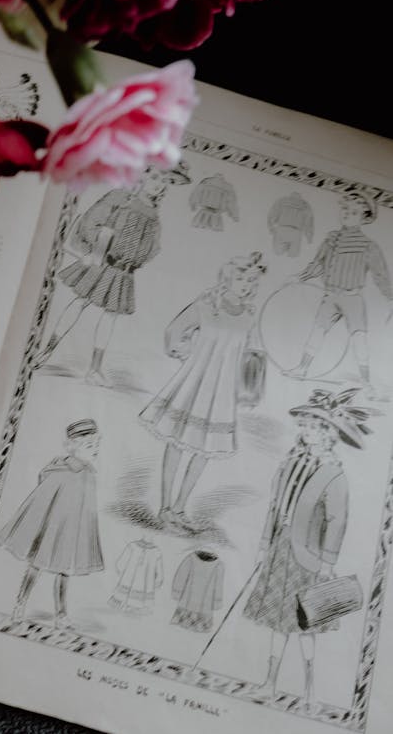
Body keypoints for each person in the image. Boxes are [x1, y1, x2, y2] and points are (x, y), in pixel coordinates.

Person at [243, 388, 373, 707]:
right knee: (277, 621)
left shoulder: (333, 473)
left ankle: (310, 690)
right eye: (304, 425)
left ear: (328, 434)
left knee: (306, 624)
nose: (307, 432)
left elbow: (336, 521)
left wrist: (327, 564)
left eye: (315, 427)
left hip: (309, 558)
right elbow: (275, 505)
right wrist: (264, 543)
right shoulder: (290, 462)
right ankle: (270, 683)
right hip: (280, 548)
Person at [138, 252, 267, 530]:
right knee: (177, 443)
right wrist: (186, 354)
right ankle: (164, 509)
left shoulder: (248, 316)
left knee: (205, 450)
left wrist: (249, 388)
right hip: (195, 382)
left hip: (222, 391)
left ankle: (180, 508)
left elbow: (254, 352)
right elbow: (174, 331)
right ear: (228, 277)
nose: (245, 284)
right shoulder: (208, 305)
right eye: (240, 277)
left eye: (250, 280)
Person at [37, 163, 190, 385]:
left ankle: (95, 368)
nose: (159, 185)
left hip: (123, 273)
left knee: (110, 316)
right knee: (80, 303)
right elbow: (91, 221)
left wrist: (136, 258)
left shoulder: (154, 214)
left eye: (165, 182)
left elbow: (152, 247)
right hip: (102, 263)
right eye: (156, 178)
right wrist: (92, 249)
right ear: (143, 175)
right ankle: (46, 351)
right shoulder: (121, 198)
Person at [0, 418, 103, 628]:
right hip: (51, 528)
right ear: (74, 446)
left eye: (96, 445)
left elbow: (88, 508)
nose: (95, 450)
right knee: (36, 566)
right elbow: (43, 489)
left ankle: (61, 615)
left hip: (71, 531)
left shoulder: (90, 473)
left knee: (65, 573)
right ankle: (20, 604)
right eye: (90, 445)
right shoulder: (59, 468)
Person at [285, 189, 392, 397]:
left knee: (359, 338)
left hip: (353, 298)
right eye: (344, 210)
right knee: (317, 330)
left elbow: (380, 275)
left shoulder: (368, 245)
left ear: (364, 217)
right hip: (330, 296)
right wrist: (300, 277)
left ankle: (365, 381)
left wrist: (390, 298)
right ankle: (302, 368)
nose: (346, 214)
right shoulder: (331, 239)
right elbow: (318, 264)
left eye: (353, 212)